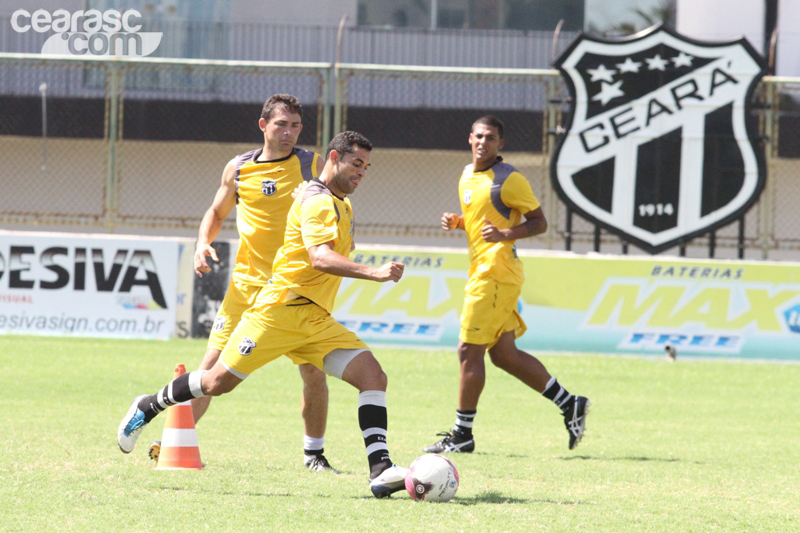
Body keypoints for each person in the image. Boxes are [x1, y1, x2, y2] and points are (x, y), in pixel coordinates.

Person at [119, 131, 409, 498]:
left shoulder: (339, 202)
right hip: (279, 311)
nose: (362, 172)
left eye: (367, 167)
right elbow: (319, 257)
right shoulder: (319, 202)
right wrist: (374, 272)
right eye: (356, 163)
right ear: (333, 158)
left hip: (314, 319)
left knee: (373, 376)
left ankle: (380, 470)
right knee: (215, 383)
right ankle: (148, 404)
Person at [184, 93, 335, 472]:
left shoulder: (311, 164)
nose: (289, 132)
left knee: (313, 371)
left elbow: (333, 207)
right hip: (247, 287)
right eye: (282, 124)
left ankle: (313, 456)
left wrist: (316, 196)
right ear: (263, 125)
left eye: (296, 126)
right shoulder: (238, 169)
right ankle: (175, 440)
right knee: (210, 365)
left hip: (293, 289)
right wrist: (203, 242)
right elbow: (216, 211)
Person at [424, 115, 590, 454]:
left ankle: (462, 434)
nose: (484, 142)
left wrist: (505, 235)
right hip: (487, 273)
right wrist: (458, 222)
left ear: (501, 144)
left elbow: (540, 222)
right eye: (479, 136)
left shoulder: (509, 179)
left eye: (491, 138)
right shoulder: (467, 175)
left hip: (495, 274)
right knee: (503, 355)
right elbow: (480, 220)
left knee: (468, 350)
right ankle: (570, 403)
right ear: (470, 138)